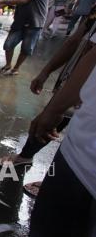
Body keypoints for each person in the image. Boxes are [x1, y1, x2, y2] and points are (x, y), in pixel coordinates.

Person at [0, 7, 96, 196]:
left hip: (85, 89)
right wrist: (46, 71)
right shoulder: (92, 10)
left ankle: (59, 184)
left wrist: (54, 109)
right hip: (74, 82)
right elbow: (75, 41)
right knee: (56, 128)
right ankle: (27, 157)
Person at [27, 38, 96, 236]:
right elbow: (92, 56)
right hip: (79, 154)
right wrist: (54, 109)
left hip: (80, 155)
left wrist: (54, 109)